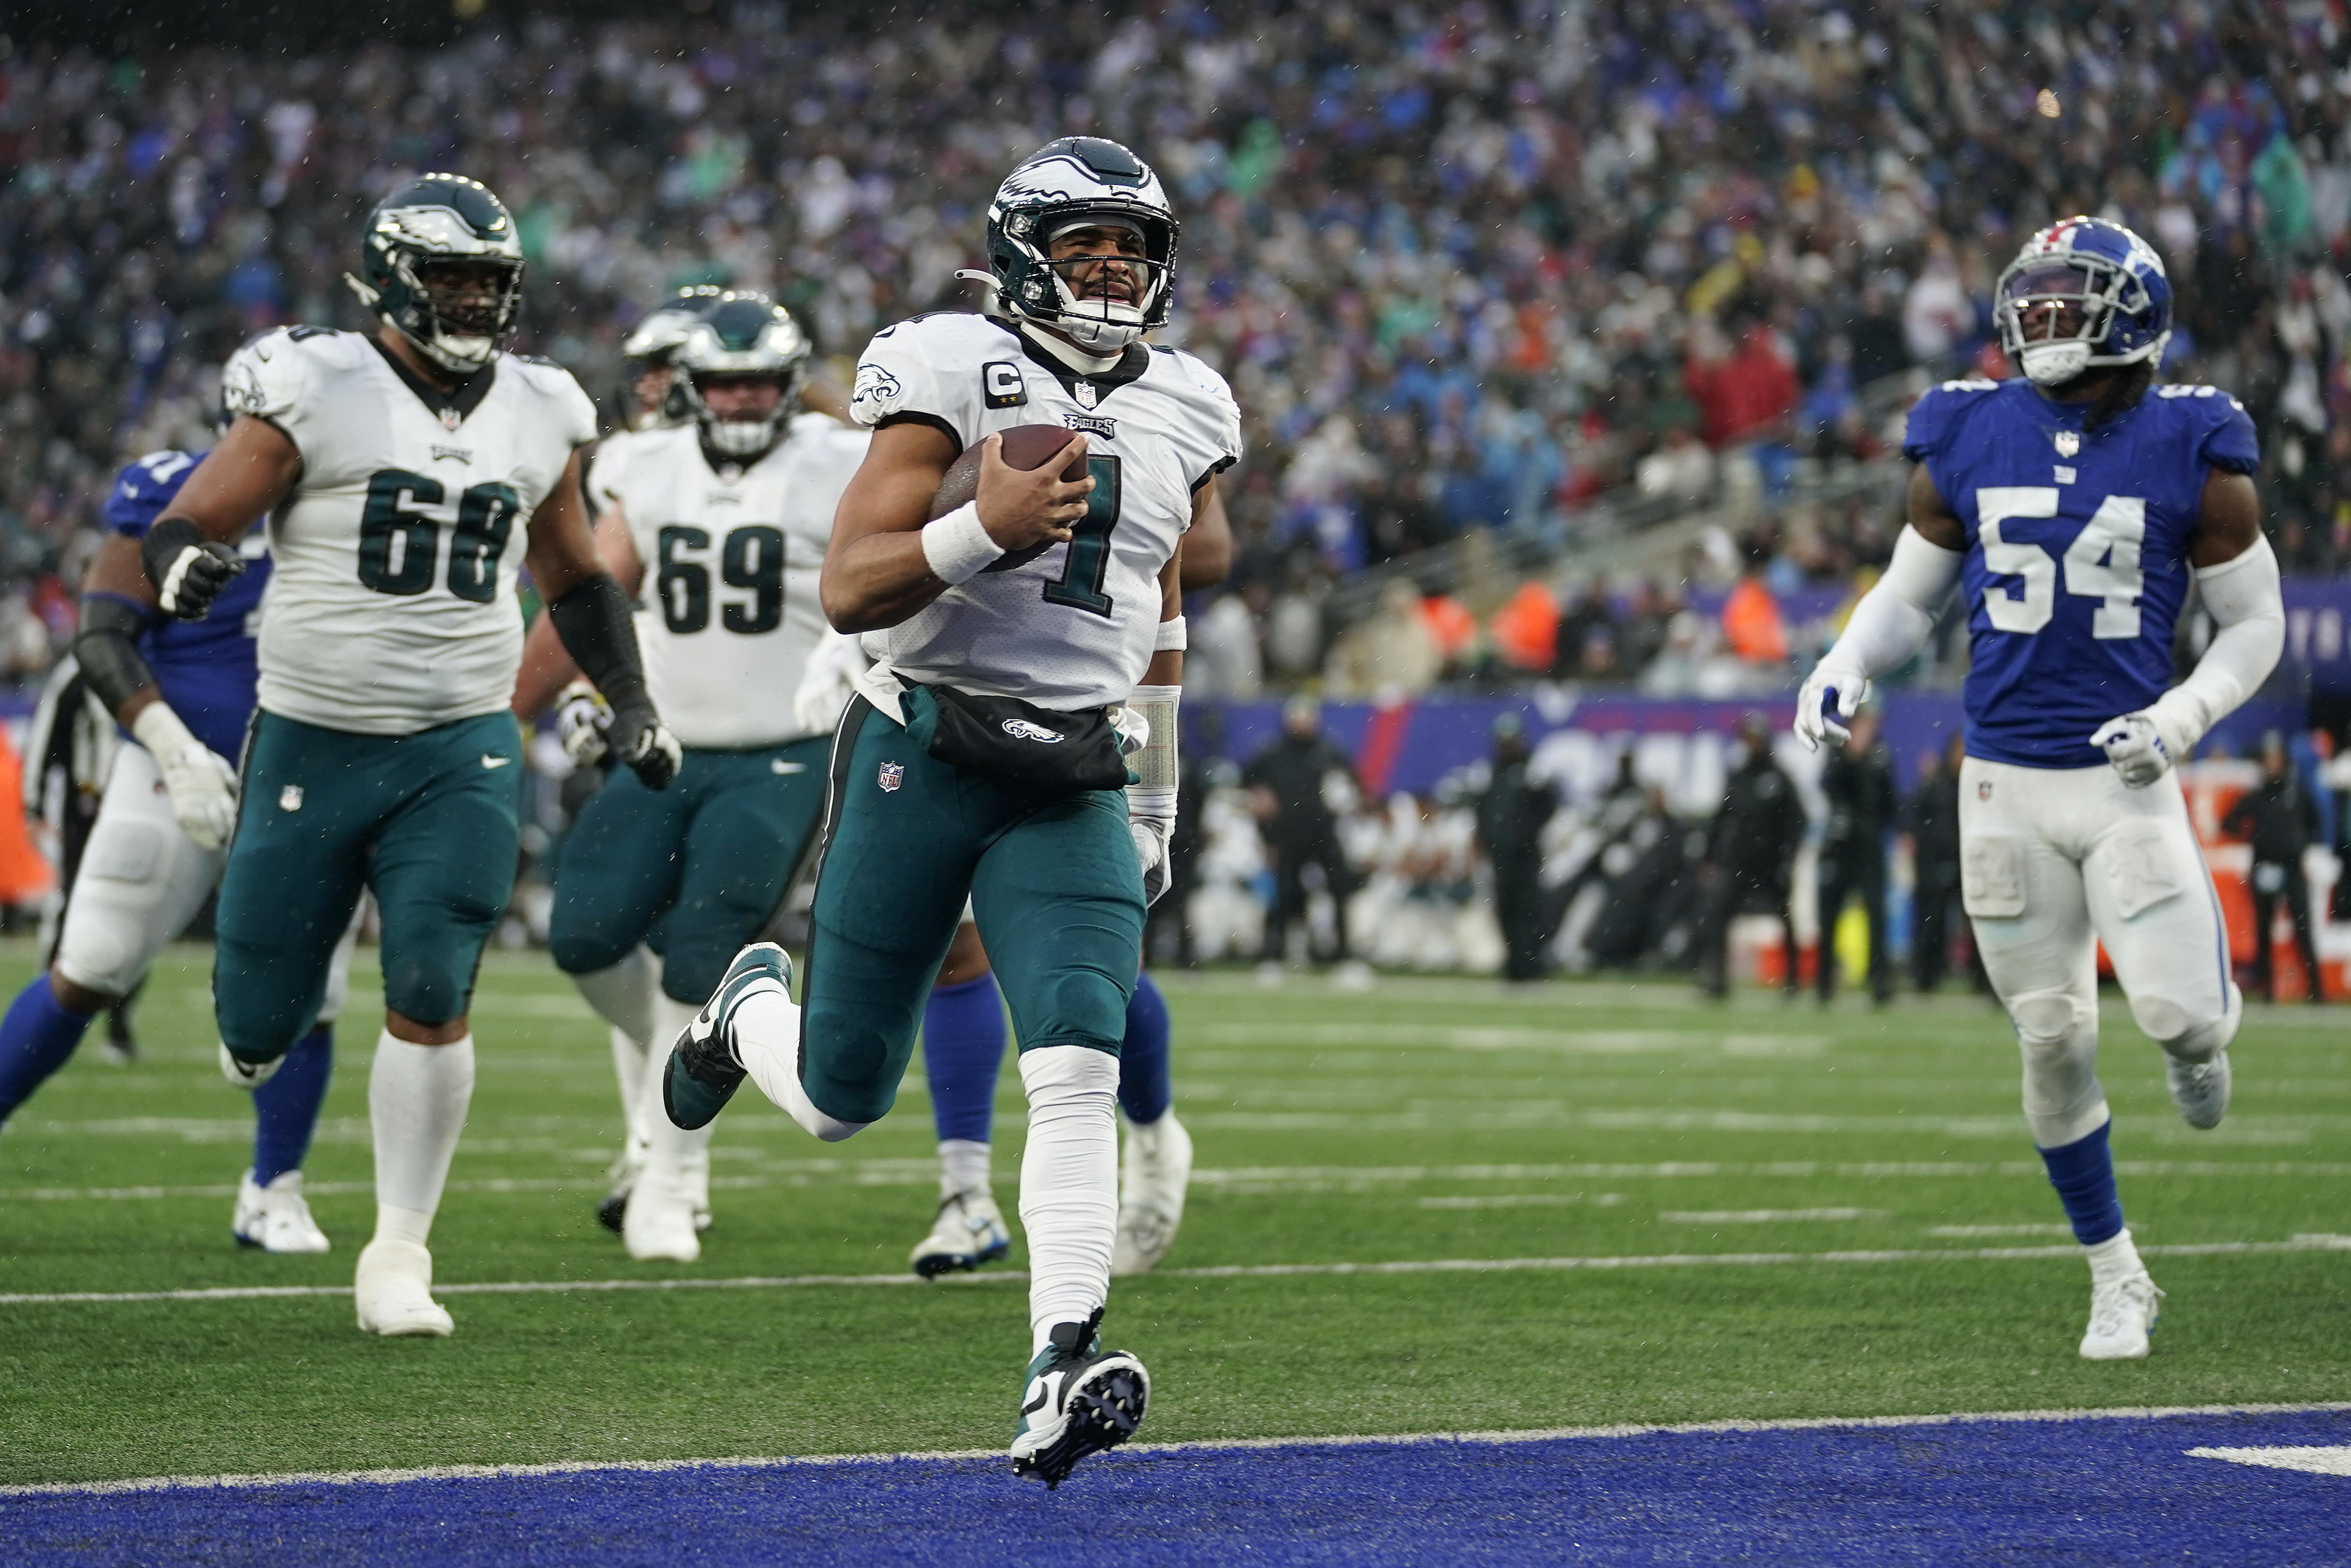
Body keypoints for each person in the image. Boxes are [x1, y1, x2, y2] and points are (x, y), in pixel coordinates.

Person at [654, 136, 1237, 1485]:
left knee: (1078, 1056)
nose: (1111, 268)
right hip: (927, 745)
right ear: (1023, 251)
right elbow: (852, 589)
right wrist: (987, 525)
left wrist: (1151, 792)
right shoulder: (945, 364)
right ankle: (751, 1009)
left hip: (1074, 774)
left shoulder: (1192, 404)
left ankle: (1058, 1358)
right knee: (847, 1093)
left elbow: (1164, 604)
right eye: (1085, 243)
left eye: (1131, 249)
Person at [152, 174, 679, 1336]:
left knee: (435, 981)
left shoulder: (541, 407)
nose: (472, 300)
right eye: (450, 277)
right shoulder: (319, 384)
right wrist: (185, 563)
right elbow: (191, 521)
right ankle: (258, 1019)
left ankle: (399, 1254)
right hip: (312, 734)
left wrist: (631, 699)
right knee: (257, 1025)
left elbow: (576, 578)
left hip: (461, 740)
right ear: (391, 276)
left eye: (490, 281)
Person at [1798, 217, 2281, 1361]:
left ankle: (2199, 1042)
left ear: (2134, 312)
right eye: (2039, 295)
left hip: (2121, 779)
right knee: (2051, 1040)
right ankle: (2116, 1274)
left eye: (2075, 298)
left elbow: (2252, 625)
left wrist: (2179, 716)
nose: (2047, 316)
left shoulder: (2192, 443)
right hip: (2002, 784)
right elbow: (1912, 597)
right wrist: (1845, 661)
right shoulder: (1964, 428)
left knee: (2180, 1016)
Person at [513, 294, 866, 1262]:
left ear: (793, 385)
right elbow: (595, 591)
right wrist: (584, 691)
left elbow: (886, 556)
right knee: (582, 932)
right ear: (695, 389)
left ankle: (670, 1176)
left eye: (761, 380)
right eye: (725, 383)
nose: (744, 398)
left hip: (786, 748)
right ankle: (700, 1054)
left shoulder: (838, 460)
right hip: (670, 743)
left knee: (702, 946)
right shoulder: (650, 466)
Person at [0, 444, 359, 1253]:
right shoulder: (176, 488)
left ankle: (274, 1188)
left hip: (316, 770)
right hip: (174, 766)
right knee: (91, 961)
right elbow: (102, 635)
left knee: (313, 991)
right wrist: (173, 747)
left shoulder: (366, 483)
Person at [881, 485, 1235, 1283]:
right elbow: (857, 553)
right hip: (934, 686)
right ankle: (966, 1190)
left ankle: (1150, 1128)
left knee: (1087, 957)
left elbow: (1208, 552)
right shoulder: (931, 376)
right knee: (954, 948)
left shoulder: (1164, 403)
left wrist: (1074, 524)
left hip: (1077, 701)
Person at [1244, 695, 1365, 981]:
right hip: (1287, 834)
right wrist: (1260, 803)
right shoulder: (1273, 754)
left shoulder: (1329, 751)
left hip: (1324, 830)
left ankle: (1345, 956)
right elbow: (1248, 783)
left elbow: (1353, 786)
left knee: (1339, 889)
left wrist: (1346, 801)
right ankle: (1272, 956)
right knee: (1283, 894)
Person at [1695, 712, 1804, 997]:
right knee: (1717, 914)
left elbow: (1797, 822)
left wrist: (1789, 859)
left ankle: (1792, 980)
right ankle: (1715, 978)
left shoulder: (1780, 779)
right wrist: (1709, 855)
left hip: (1771, 861)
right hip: (1740, 861)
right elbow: (1722, 817)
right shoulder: (1738, 777)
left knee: (1784, 917)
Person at [2222, 731, 2323, 1004]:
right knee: (2263, 930)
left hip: (2292, 868)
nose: (2271, 764)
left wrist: (2303, 849)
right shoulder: (2257, 796)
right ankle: (2267, 991)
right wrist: (2252, 837)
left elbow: (2315, 824)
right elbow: (2228, 822)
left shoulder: (2296, 792)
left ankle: (2317, 991)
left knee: (2303, 930)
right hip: (2264, 867)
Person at [1814, 703, 1896, 1004]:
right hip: (1840, 843)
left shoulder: (1881, 753)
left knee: (1877, 914)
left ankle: (1880, 984)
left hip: (1869, 844)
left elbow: (1888, 800)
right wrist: (1851, 759)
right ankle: (1824, 984)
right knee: (1830, 913)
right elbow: (1827, 786)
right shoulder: (1838, 748)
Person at [1475, 712, 1555, 982]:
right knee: (1505, 909)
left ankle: (1531, 964)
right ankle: (1514, 962)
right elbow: (1482, 812)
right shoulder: (1491, 772)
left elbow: (1548, 807)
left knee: (1528, 909)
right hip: (1500, 856)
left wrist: (1526, 833)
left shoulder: (1533, 771)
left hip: (1525, 854)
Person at [1904, 732, 1966, 994]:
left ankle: (1983, 980)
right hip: (1934, 863)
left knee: (1975, 921)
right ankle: (1926, 976)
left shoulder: (1973, 785)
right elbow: (1911, 818)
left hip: (1966, 862)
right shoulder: (1935, 784)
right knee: (1931, 922)